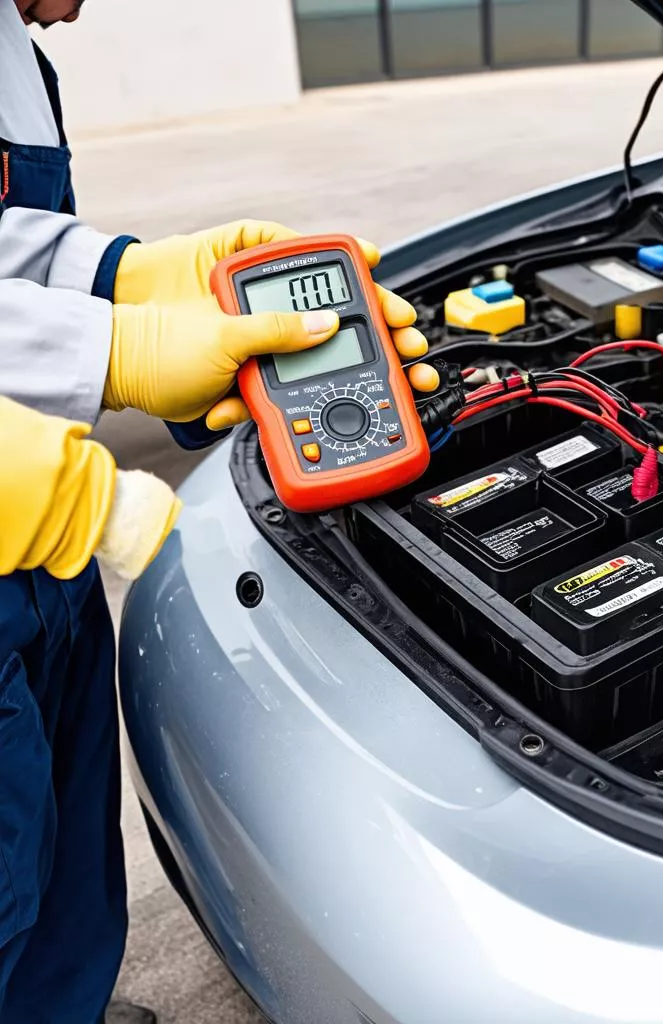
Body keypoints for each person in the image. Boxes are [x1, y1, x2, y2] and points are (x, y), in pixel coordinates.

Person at [0, 2, 436, 1020]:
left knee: (64, 839)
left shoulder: (17, 42)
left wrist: (137, 277)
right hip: (32, 493)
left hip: (41, 531)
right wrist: (115, 352)